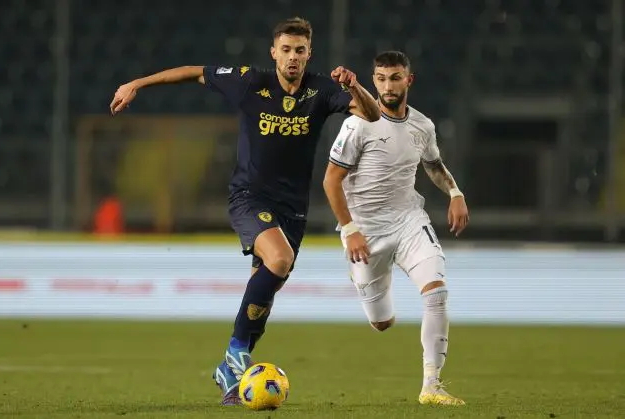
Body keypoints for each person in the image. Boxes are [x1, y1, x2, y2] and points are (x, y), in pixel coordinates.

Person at [110, 17, 380, 405]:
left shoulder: (322, 89)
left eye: (299, 51)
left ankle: (228, 367)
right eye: (285, 50)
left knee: (266, 289)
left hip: (293, 210)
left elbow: (371, 115)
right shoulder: (251, 82)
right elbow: (194, 72)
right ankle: (237, 351)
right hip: (249, 198)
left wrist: (355, 86)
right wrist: (136, 83)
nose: (292, 58)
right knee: (281, 259)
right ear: (274, 52)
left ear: (309, 54)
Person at [323, 51, 468, 406]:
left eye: (396, 77)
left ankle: (432, 386)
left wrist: (455, 192)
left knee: (436, 292)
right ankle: (367, 281)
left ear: (409, 80)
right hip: (365, 234)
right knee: (382, 323)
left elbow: (433, 165)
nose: (389, 85)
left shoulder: (423, 125)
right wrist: (349, 228)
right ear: (374, 81)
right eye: (382, 78)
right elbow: (331, 181)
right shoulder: (357, 124)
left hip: (408, 222)